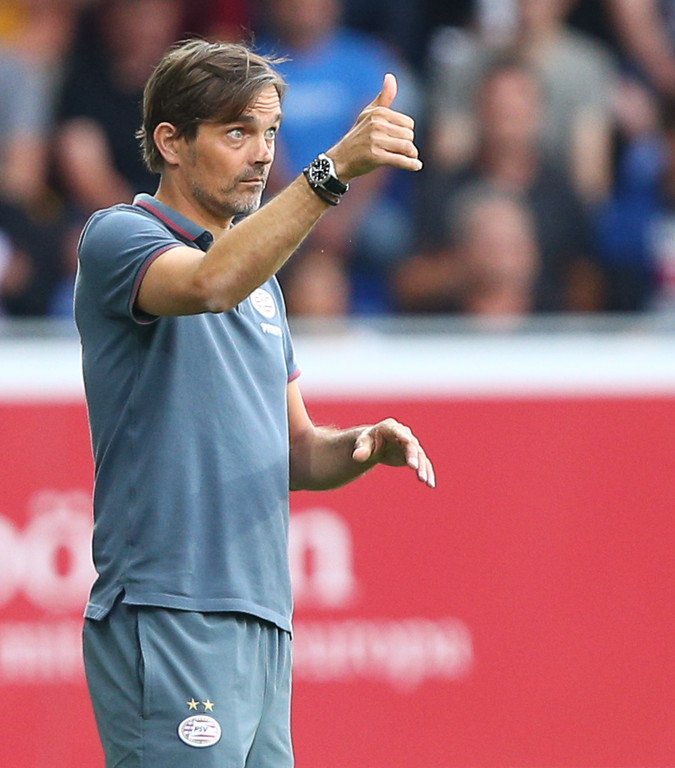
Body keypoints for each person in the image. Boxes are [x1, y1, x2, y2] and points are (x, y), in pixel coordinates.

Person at [75, 38, 434, 768]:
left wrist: (357, 445)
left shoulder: (261, 282)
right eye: (237, 132)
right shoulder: (119, 236)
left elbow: (296, 450)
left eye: (269, 133)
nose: (262, 154)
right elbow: (209, 283)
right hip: (169, 607)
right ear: (171, 142)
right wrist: (331, 171)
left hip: (263, 618)